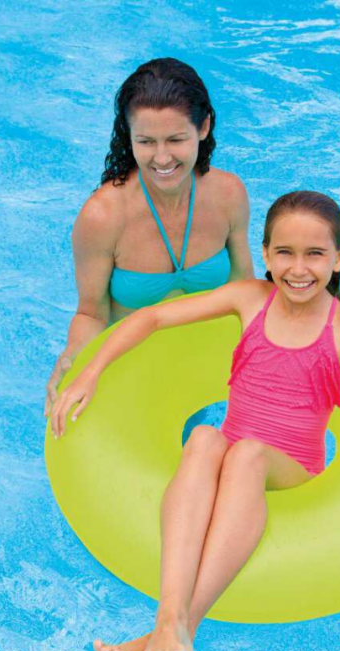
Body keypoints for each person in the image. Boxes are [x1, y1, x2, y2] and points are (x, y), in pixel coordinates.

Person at [50, 191, 340, 651]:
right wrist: (90, 372)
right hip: (233, 450)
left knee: (247, 454)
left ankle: (182, 626)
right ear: (265, 254)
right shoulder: (250, 299)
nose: (298, 269)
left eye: (315, 254)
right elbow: (152, 317)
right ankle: (168, 622)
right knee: (204, 439)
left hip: (290, 466)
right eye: (285, 253)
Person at [44, 57, 255, 419]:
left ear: (203, 127)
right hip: (133, 374)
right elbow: (91, 313)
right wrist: (72, 359)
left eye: (176, 139)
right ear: (129, 136)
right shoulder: (103, 217)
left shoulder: (228, 195)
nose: (161, 158)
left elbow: (245, 292)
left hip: (207, 371)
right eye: (145, 141)